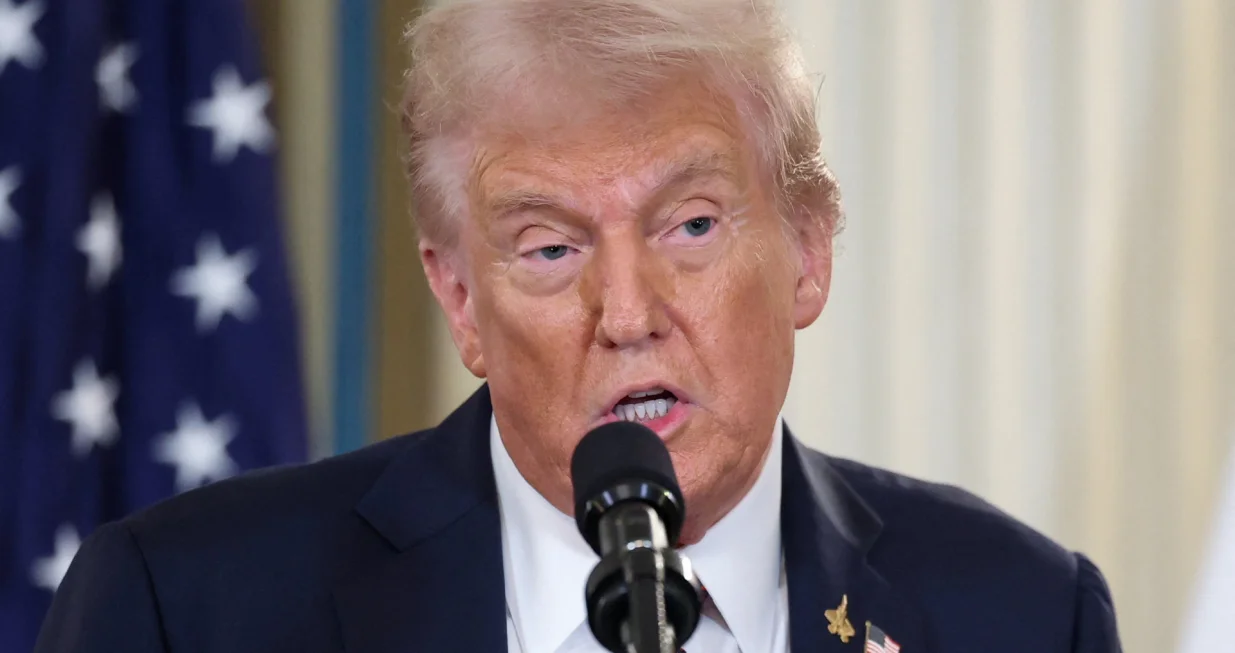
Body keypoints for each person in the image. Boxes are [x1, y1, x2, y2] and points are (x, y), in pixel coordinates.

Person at [35, 1, 1122, 651]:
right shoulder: (190, 610)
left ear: (806, 247)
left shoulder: (1020, 613)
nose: (628, 312)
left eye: (690, 224)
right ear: (460, 298)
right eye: (551, 247)